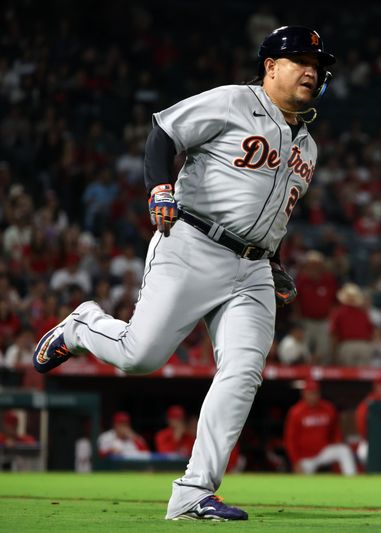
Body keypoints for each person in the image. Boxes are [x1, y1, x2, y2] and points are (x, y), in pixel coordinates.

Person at [31, 25, 336, 521]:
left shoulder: (310, 147)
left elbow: (267, 211)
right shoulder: (234, 101)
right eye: (299, 59)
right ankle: (82, 326)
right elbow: (164, 133)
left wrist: (274, 261)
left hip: (254, 269)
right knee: (140, 357)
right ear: (270, 67)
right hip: (193, 243)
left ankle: (193, 492)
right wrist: (158, 187)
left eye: (317, 64)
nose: (310, 70)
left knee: (243, 372)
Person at [283, 380, 356, 476]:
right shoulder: (296, 412)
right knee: (304, 486)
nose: (313, 396)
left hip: (323, 451)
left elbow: (335, 430)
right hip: (305, 457)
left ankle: (352, 481)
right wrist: (295, 461)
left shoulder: (328, 408)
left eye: (315, 393)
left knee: (343, 450)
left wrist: (337, 441)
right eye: (310, 393)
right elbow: (290, 439)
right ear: (304, 394)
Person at [328, 283, 374, 366]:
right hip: (364, 345)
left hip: (347, 346)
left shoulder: (339, 312)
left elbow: (334, 333)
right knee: (363, 376)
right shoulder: (363, 312)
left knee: (347, 376)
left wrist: (334, 352)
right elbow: (371, 330)